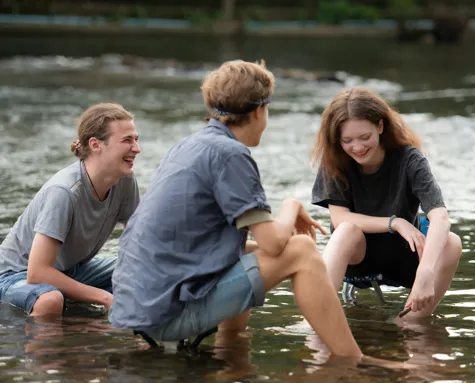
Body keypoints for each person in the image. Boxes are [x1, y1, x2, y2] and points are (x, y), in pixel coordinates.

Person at [109, 61, 408, 367]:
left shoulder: (189, 146)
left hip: (135, 306)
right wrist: (292, 206)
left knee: (245, 254)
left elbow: (206, 243)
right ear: (257, 111)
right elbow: (275, 244)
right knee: (302, 251)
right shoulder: (230, 154)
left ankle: (231, 357)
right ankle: (353, 360)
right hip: (165, 314)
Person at [310, 87, 462, 321]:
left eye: (365, 137)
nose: (357, 148)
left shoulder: (410, 159)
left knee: (451, 242)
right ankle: (316, 320)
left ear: (380, 127)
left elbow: (440, 216)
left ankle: (411, 325)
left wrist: (426, 271)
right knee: (347, 229)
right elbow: (339, 218)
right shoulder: (335, 161)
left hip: (404, 257)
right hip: (357, 259)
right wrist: (395, 222)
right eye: (347, 140)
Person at [0, 103, 140, 316]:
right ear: (95, 145)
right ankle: (51, 347)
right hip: (15, 276)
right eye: (127, 140)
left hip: (71, 270)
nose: (137, 148)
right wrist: (104, 297)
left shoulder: (125, 181)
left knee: (143, 271)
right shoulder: (64, 192)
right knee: (50, 300)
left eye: (136, 139)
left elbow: (141, 243)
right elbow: (36, 273)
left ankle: (139, 341)